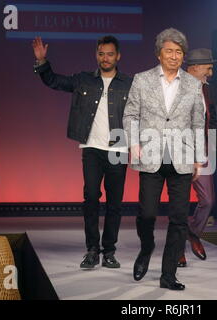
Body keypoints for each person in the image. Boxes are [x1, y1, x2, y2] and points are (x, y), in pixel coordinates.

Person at [32, 35, 132, 269]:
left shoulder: (129, 83)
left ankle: (109, 251)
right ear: (96, 55)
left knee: (115, 203)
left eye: (109, 54)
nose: (105, 58)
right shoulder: (84, 80)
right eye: (101, 53)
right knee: (91, 199)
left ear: (118, 56)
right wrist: (42, 62)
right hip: (92, 148)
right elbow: (55, 81)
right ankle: (92, 250)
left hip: (118, 147)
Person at [123, 28, 205, 290]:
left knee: (179, 218)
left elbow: (198, 122)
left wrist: (199, 159)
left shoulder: (193, 84)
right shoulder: (142, 79)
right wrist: (134, 142)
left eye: (179, 52)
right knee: (146, 214)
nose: (174, 56)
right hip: (150, 154)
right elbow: (130, 115)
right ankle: (146, 249)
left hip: (181, 157)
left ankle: (168, 274)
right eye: (169, 51)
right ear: (159, 53)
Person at [177, 48, 217, 268]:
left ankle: (192, 233)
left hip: (202, 151)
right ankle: (177, 250)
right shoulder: (177, 88)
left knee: (208, 200)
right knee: (179, 204)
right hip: (181, 151)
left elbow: (213, 123)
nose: (211, 72)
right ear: (195, 67)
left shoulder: (207, 90)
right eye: (208, 67)